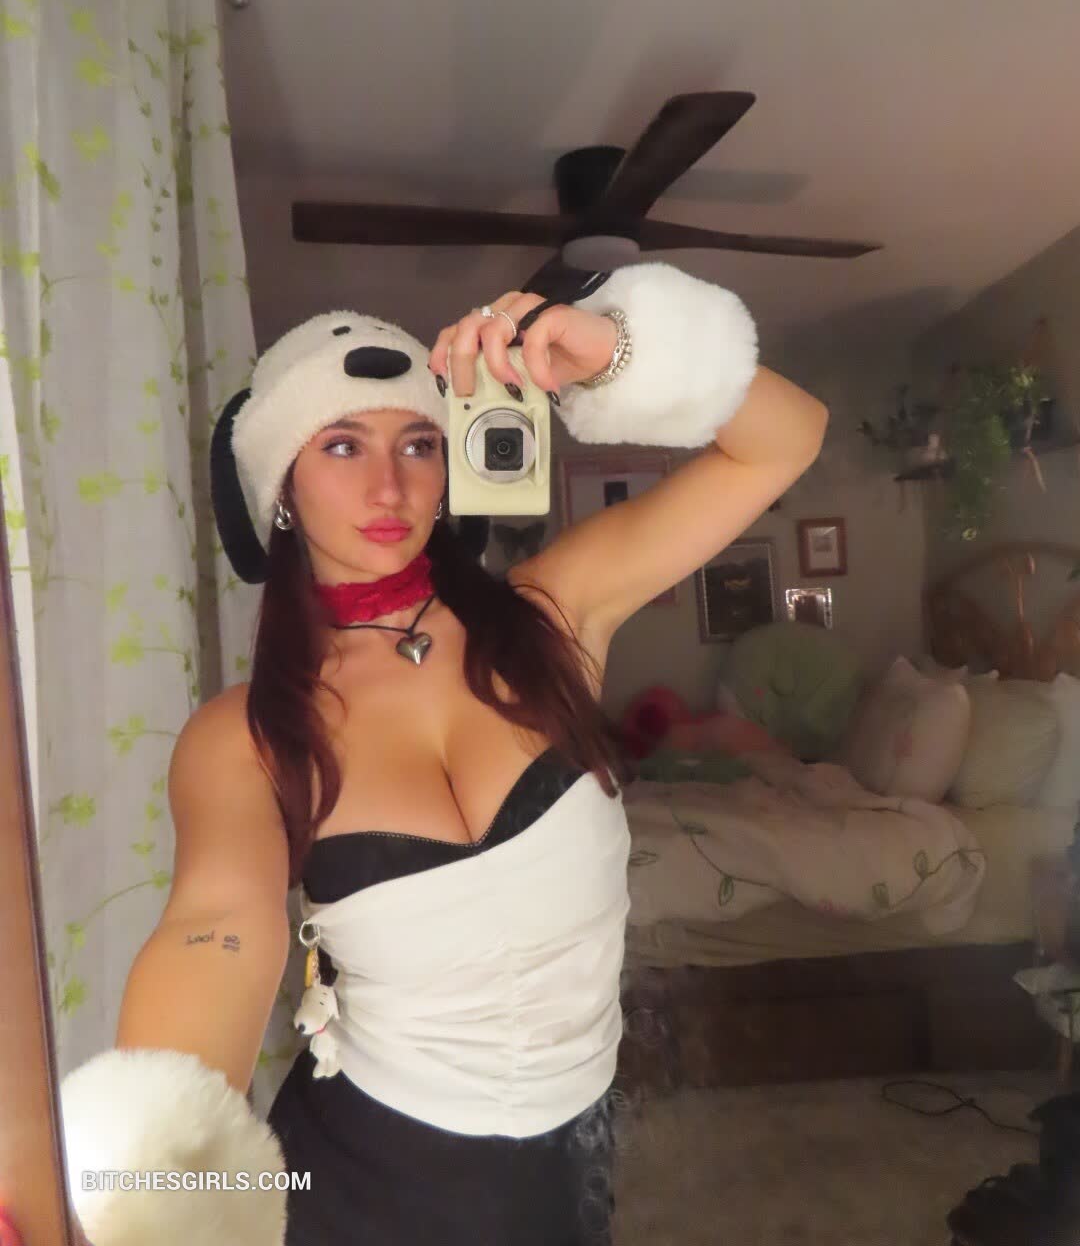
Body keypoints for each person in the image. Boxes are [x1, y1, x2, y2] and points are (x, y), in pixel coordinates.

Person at [58, 261, 828, 1245]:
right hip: (355, 1184)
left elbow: (786, 439)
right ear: (281, 487)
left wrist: (614, 351)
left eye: (418, 443)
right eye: (342, 444)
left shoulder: (553, 615)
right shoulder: (247, 734)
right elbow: (214, 931)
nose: (389, 485)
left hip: (569, 1165)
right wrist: (152, 1192)